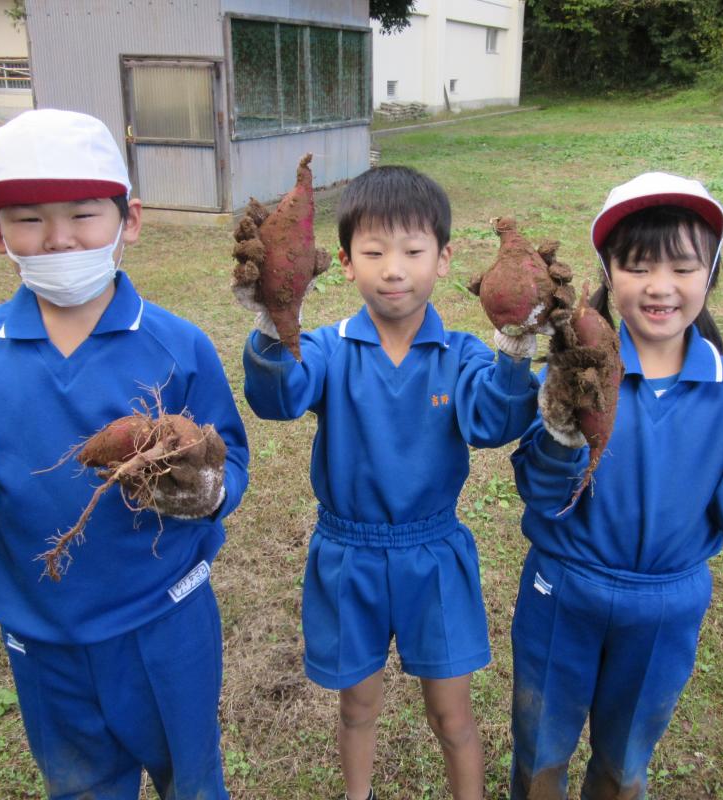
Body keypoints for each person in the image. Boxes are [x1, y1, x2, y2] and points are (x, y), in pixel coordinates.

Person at [0, 108, 249, 800]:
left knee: (191, 782)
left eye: (83, 214)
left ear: (129, 220)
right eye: (29, 218)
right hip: (42, 634)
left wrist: (207, 490)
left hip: (164, 620)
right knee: (80, 788)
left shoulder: (177, 343)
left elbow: (232, 457)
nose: (60, 237)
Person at [508, 172, 723, 799]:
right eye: (638, 267)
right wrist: (565, 429)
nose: (660, 286)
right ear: (608, 273)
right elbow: (542, 492)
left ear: (711, 274)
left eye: (683, 268)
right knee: (540, 751)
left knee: (625, 764)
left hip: (667, 606)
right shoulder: (577, 369)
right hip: (563, 589)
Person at [237, 165, 541, 800]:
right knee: (357, 707)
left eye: (413, 251)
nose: (394, 270)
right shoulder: (325, 348)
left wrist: (515, 350)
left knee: (452, 716)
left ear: (443, 258)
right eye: (374, 253)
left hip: (434, 554)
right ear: (345, 263)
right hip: (349, 555)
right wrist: (274, 318)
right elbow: (278, 399)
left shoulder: (462, 354)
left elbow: (494, 422)